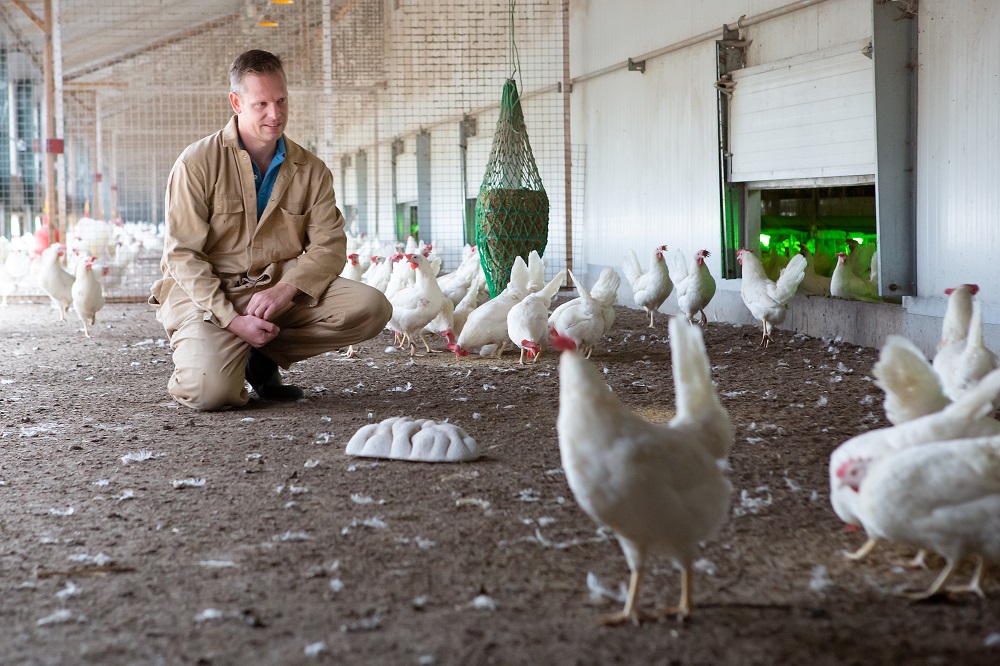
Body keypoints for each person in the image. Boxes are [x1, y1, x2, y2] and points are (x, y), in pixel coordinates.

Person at [150, 49, 391, 411]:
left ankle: (262, 356)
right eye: (261, 103)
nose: (275, 114)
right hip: (209, 296)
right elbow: (182, 255)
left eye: (281, 101)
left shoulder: (311, 169)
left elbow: (330, 245)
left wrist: (286, 290)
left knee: (370, 308)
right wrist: (231, 319)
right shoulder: (197, 162)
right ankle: (216, 354)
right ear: (236, 102)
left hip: (274, 294)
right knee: (208, 393)